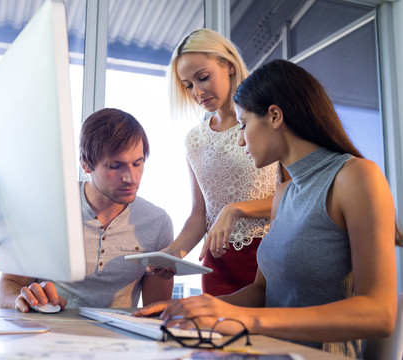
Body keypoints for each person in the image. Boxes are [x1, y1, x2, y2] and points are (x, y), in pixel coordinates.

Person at [135, 59, 403, 359]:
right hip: (266, 352)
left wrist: (248, 322)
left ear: (274, 116)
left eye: (244, 124)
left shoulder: (355, 177)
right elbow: (262, 292)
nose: (239, 140)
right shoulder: (284, 194)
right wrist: (194, 308)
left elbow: (379, 313)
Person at [0, 108, 174, 311]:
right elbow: (8, 286)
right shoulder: (46, 208)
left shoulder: (157, 223)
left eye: (137, 163)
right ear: (86, 165)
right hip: (47, 333)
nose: (131, 178)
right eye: (115, 166)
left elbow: (156, 310)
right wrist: (21, 300)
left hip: (119, 339)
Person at [156, 28, 281, 295]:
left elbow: (296, 197)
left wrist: (236, 209)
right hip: (218, 264)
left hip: (270, 256)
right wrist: (172, 253)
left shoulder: (269, 120)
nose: (197, 91)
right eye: (188, 85)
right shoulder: (194, 140)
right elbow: (200, 215)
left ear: (230, 66)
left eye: (203, 78)